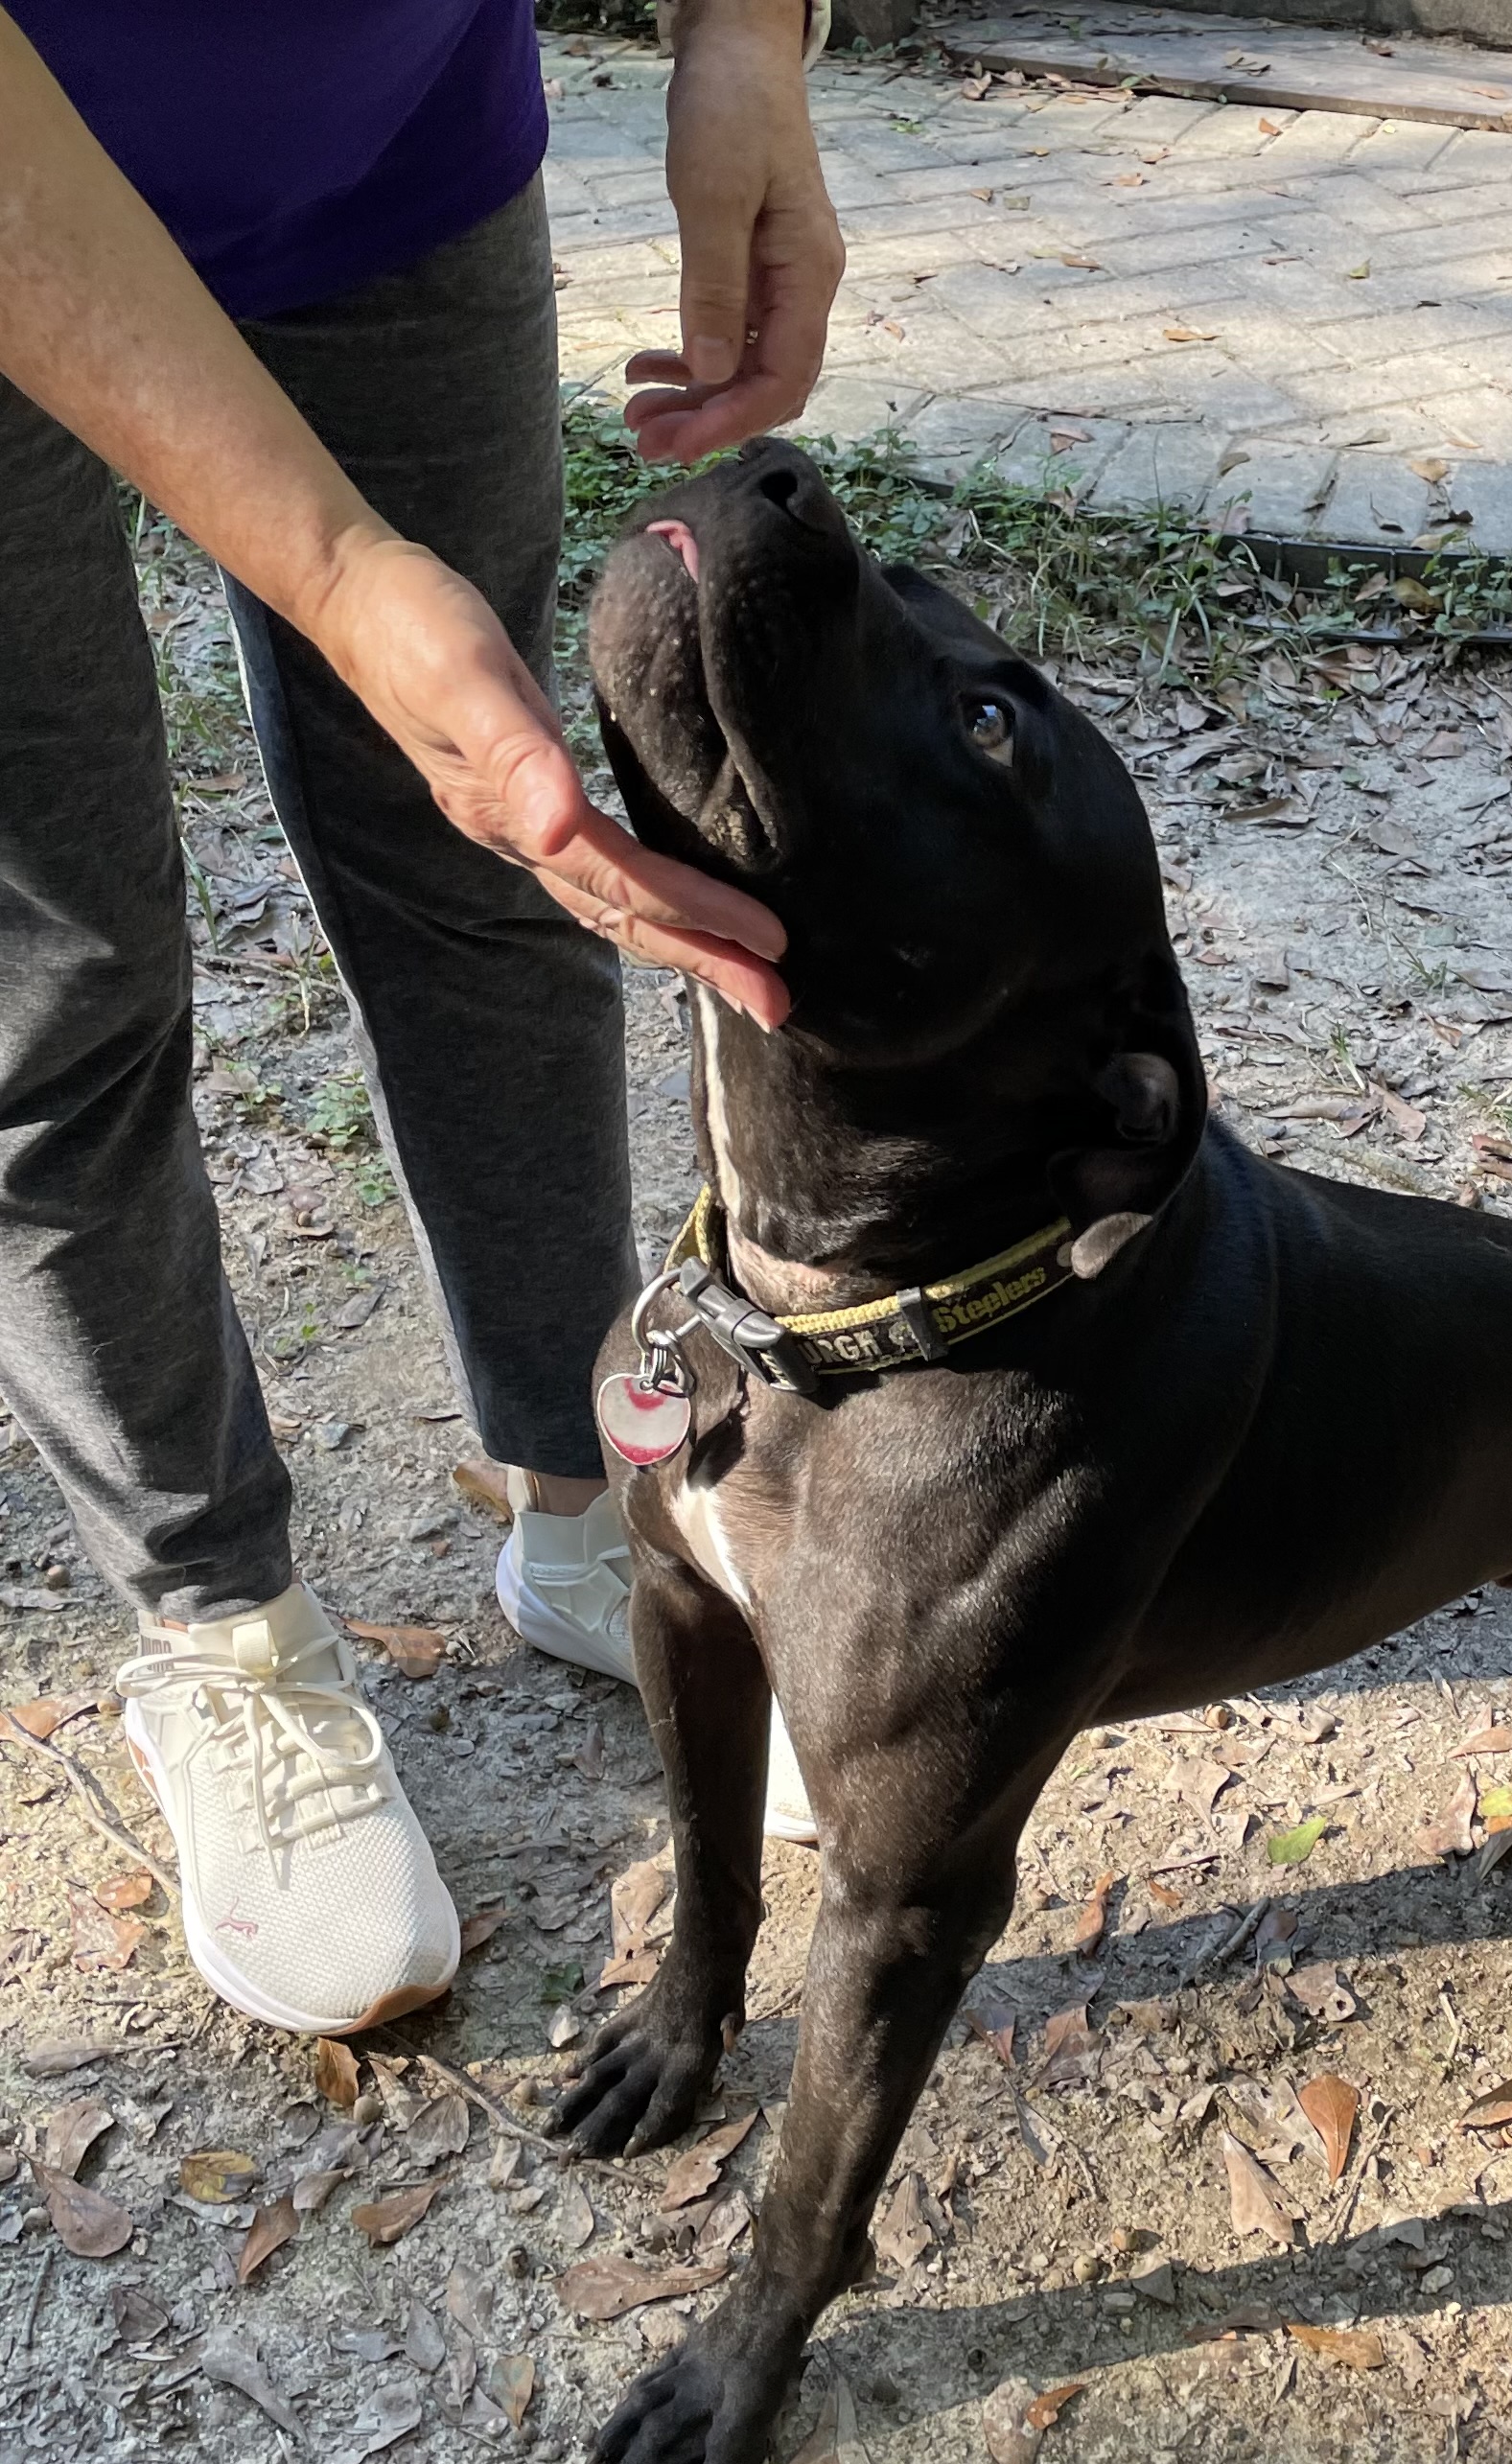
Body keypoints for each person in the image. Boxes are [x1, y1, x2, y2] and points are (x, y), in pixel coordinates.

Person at [0, 0, 842, 2036]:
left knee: (494, 850)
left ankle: (590, 1496)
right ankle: (224, 1630)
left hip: (392, 149)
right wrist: (345, 569)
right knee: (57, 976)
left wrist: (749, 45)